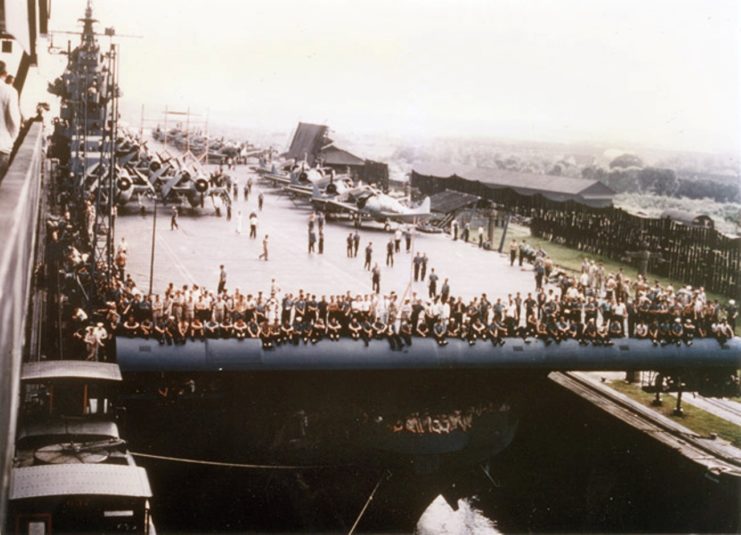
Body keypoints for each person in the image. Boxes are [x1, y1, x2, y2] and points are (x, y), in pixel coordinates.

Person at [0, 61, 20, 178]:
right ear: (5, 73)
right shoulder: (10, 92)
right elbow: (14, 123)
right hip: (2, 147)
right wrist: (9, 140)